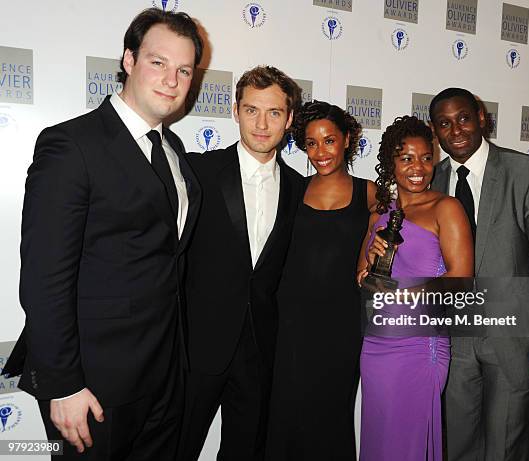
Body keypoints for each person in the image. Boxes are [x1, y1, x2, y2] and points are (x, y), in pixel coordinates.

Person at [2, 8, 203, 460]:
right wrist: (63, 385)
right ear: (129, 60)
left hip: (164, 376)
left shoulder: (174, 152)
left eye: (184, 70)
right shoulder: (72, 145)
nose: (172, 80)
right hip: (92, 385)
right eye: (158, 62)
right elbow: (44, 278)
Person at [429, 87, 529, 461]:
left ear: (481, 117)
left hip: (514, 340)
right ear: (436, 131)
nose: (456, 130)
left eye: (463, 118)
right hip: (455, 340)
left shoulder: (526, 172)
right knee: (458, 445)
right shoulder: (430, 181)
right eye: (444, 124)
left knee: (506, 447)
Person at [178, 65, 304, 461]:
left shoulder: (302, 190)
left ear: (290, 118)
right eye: (251, 110)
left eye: (274, 113)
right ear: (235, 111)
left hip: (261, 351)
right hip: (196, 348)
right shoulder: (197, 171)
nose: (262, 124)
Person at [266, 100, 377, 460]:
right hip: (291, 323)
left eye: (329, 140)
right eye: (311, 143)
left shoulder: (371, 193)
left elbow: (391, 240)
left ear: (347, 140)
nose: (321, 152)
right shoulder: (292, 189)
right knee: (285, 413)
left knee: (332, 413)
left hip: (343, 324)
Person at [358, 115, 473, 461]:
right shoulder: (379, 213)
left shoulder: (446, 208)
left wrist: (405, 296)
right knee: (379, 438)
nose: (418, 167)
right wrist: (370, 263)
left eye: (425, 157)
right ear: (391, 163)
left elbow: (461, 279)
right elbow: (361, 275)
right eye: (406, 158)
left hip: (420, 345)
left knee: (407, 443)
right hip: (377, 345)